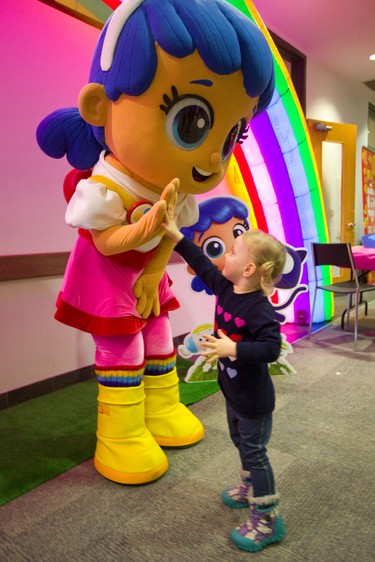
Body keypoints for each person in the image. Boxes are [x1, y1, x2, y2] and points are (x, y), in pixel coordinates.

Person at [36, 0, 275, 485]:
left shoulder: (178, 190)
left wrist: (152, 267)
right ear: (101, 108)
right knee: (121, 345)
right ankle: (119, 432)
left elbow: (172, 233)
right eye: (192, 121)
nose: (214, 154)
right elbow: (106, 242)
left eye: (233, 134)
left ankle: (161, 409)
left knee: (159, 336)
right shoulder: (104, 186)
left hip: (144, 277)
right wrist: (143, 233)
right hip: (104, 277)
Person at [162, 197, 287, 552]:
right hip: (233, 393)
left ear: (248, 269)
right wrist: (175, 235)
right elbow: (202, 263)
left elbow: (271, 348)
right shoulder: (225, 288)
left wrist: (233, 349)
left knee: (255, 453)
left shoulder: (259, 308)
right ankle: (248, 488)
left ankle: (267, 519)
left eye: (233, 251)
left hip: (254, 401)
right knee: (241, 445)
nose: (225, 256)